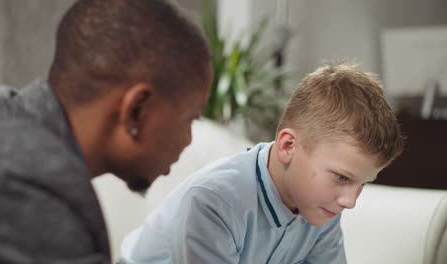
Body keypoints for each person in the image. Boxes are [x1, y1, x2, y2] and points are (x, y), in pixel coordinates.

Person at [0, 0, 211, 263]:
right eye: (190, 118)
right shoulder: (33, 193)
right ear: (136, 109)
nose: (189, 139)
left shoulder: (1, 112)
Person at [119, 63, 404, 264]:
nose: (350, 201)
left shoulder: (321, 206)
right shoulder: (213, 203)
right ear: (288, 147)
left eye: (361, 184)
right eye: (342, 178)